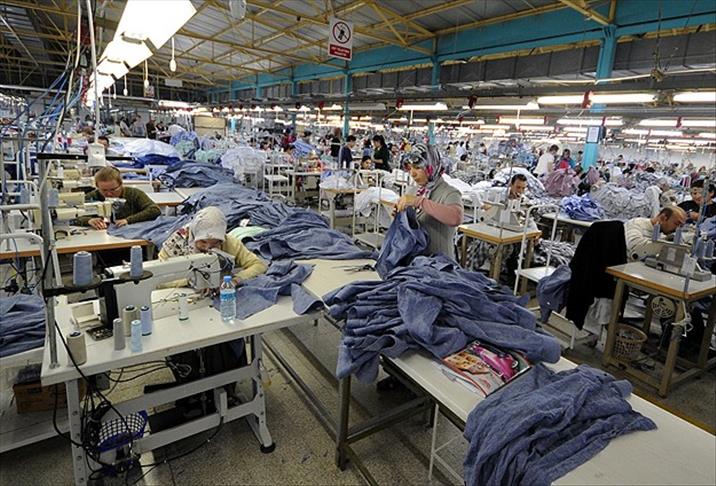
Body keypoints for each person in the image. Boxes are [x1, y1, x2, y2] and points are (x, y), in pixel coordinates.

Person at [159, 206, 267, 286]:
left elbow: (259, 265)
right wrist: (191, 281)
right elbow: (159, 279)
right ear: (194, 235)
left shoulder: (230, 243)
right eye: (203, 242)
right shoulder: (174, 244)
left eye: (215, 243)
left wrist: (235, 279)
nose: (208, 248)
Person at [395, 144, 464, 260]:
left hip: (440, 265)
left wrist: (419, 202)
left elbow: (456, 218)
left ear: (432, 165)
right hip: (417, 262)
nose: (412, 174)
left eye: (417, 168)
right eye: (410, 168)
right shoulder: (414, 191)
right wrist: (399, 216)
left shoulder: (449, 192)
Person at [77, 167, 160, 229]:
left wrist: (128, 220)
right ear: (97, 186)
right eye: (104, 190)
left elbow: (154, 210)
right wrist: (88, 220)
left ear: (121, 184)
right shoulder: (92, 196)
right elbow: (74, 216)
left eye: (113, 189)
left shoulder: (133, 194)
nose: (109, 194)